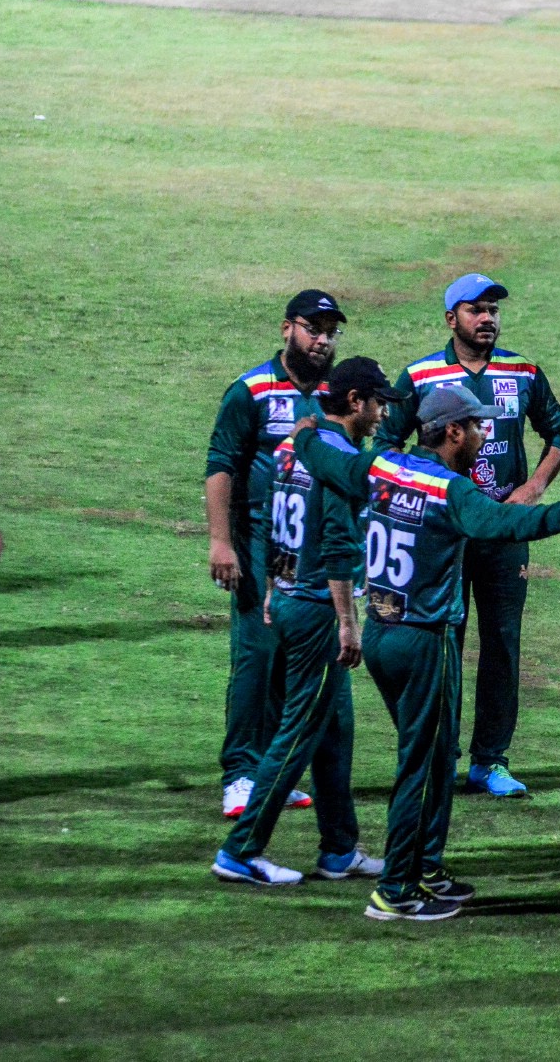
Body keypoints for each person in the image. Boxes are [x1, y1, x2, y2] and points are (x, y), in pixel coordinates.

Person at [294, 386, 560, 920]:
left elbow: (328, 462)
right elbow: (507, 523)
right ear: (452, 432)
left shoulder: (380, 466)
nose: (483, 434)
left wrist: (307, 433)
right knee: (422, 766)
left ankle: (426, 869)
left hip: (380, 632)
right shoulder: (452, 491)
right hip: (425, 640)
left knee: (433, 751)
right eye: (476, 426)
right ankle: (395, 890)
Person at [376, 273, 560, 799]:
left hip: (503, 533)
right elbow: (386, 445)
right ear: (451, 319)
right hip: (443, 534)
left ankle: (490, 760)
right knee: (444, 640)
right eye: (475, 310)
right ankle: (441, 753)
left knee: (503, 644)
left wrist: (533, 487)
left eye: (493, 310)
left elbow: (559, 430)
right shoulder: (420, 376)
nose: (487, 319)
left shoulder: (522, 371)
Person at [211, 357, 400, 886]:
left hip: (292, 597)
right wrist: (348, 623)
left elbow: (272, 521)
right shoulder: (337, 459)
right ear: (356, 402)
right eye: (379, 404)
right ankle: (240, 851)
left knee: (335, 729)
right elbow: (339, 546)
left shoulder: (293, 447)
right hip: (319, 611)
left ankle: (339, 849)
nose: (384, 414)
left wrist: (275, 587)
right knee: (296, 733)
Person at [205, 290, 343, 818]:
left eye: (330, 331)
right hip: (259, 542)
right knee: (257, 653)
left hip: (312, 548)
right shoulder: (252, 390)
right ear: (287, 328)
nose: (322, 340)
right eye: (313, 328)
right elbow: (220, 465)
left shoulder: (335, 394)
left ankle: (272, 770)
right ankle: (240, 773)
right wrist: (221, 541)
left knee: (293, 657)